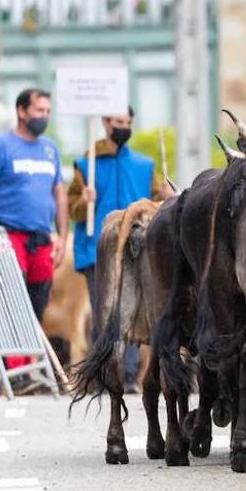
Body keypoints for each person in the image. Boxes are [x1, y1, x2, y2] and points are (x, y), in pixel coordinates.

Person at [65, 106, 170, 390]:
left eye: (127, 122)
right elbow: (70, 210)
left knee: (133, 311)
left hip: (136, 250)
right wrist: (82, 201)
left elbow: (155, 205)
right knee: (104, 313)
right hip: (96, 250)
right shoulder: (85, 165)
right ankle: (103, 375)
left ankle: (128, 375)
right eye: (118, 121)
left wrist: (166, 196)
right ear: (105, 123)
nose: (123, 126)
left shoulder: (145, 166)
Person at [0, 88, 68, 326]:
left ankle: (28, 358)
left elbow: (59, 192)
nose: (44, 116)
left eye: (47, 111)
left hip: (41, 238)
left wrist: (63, 238)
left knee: (38, 301)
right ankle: (7, 360)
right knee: (8, 299)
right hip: (8, 235)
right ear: (21, 111)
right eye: (39, 110)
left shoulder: (50, 149)